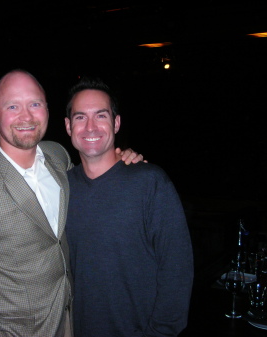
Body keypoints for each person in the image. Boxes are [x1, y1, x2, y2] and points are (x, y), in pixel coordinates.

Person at [0, 69, 142, 337]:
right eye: (13, 106)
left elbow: (92, 179)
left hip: (77, 323)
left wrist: (122, 160)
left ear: (47, 109)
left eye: (35, 104)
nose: (26, 116)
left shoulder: (58, 156)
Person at [64, 77, 194, 337]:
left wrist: (161, 332)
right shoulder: (61, 188)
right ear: (68, 126)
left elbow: (177, 268)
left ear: (116, 122)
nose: (90, 127)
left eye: (100, 115)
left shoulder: (149, 182)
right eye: (80, 117)